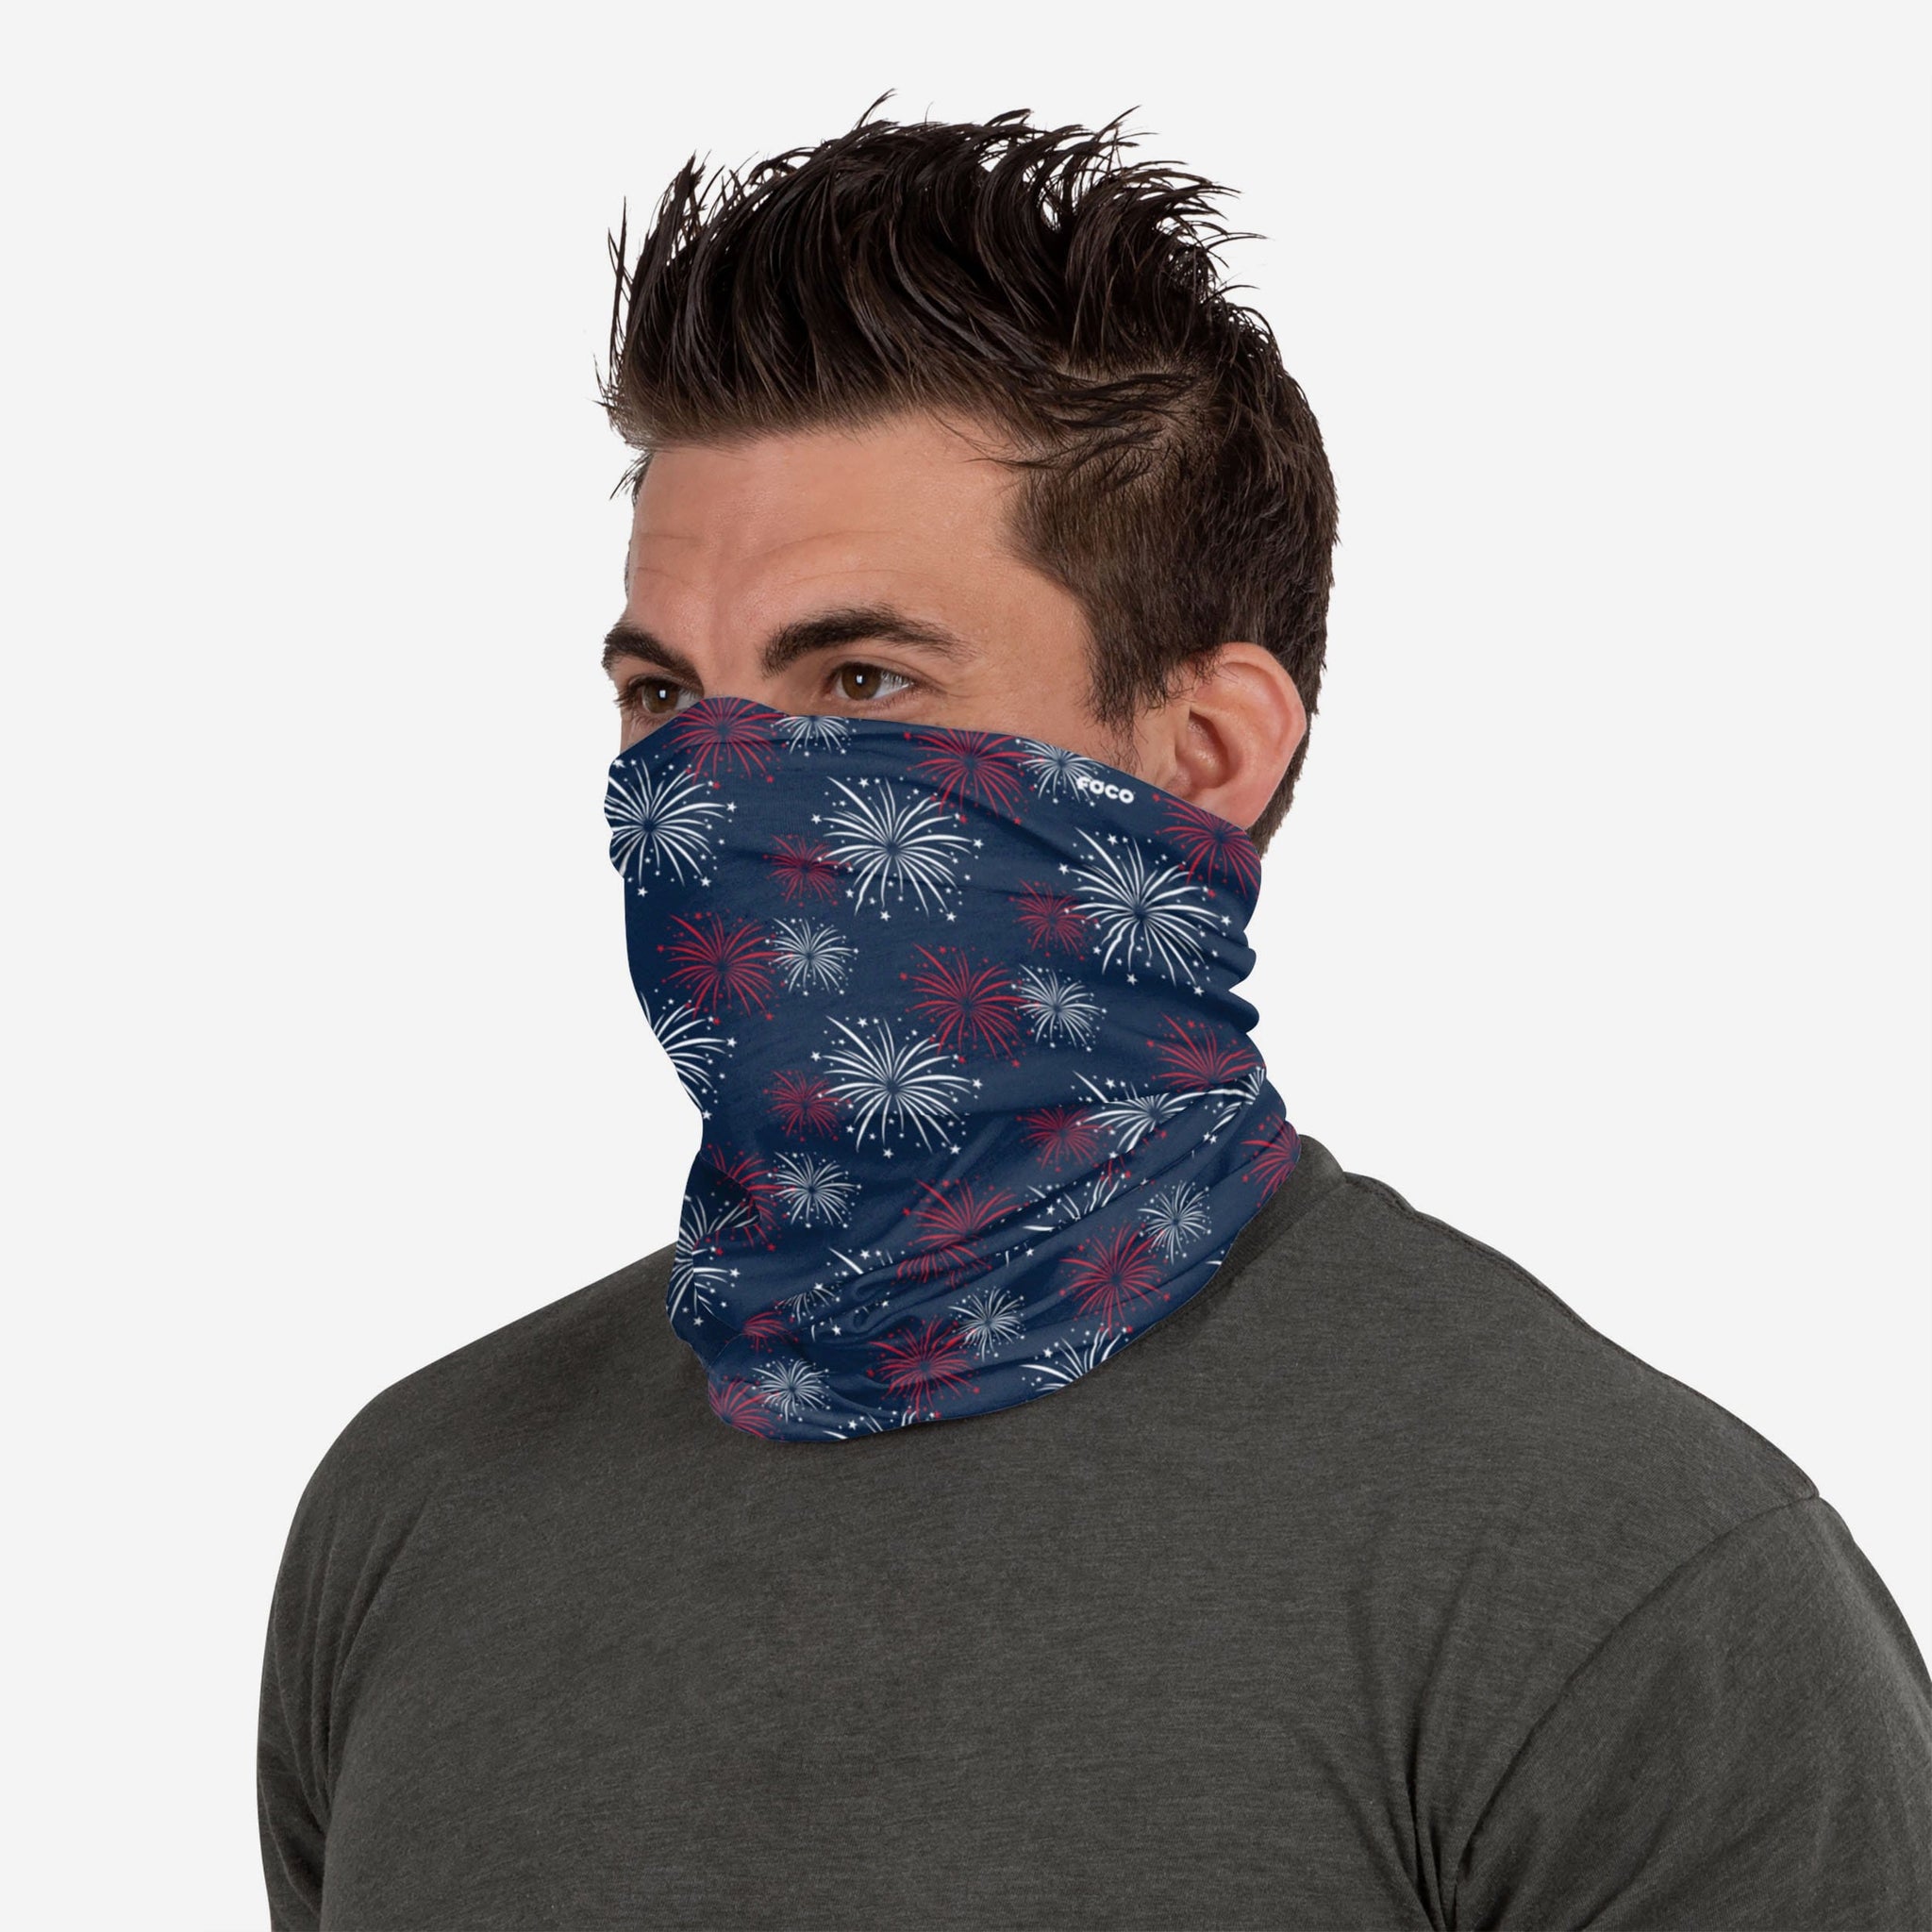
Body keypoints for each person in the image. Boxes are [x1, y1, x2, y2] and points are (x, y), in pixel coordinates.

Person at [257, 102, 1932, 1929]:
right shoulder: (414, 1516)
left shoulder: (1615, 1584)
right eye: (664, 697)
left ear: (1204, 750)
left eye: (862, 680)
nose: (712, 796)